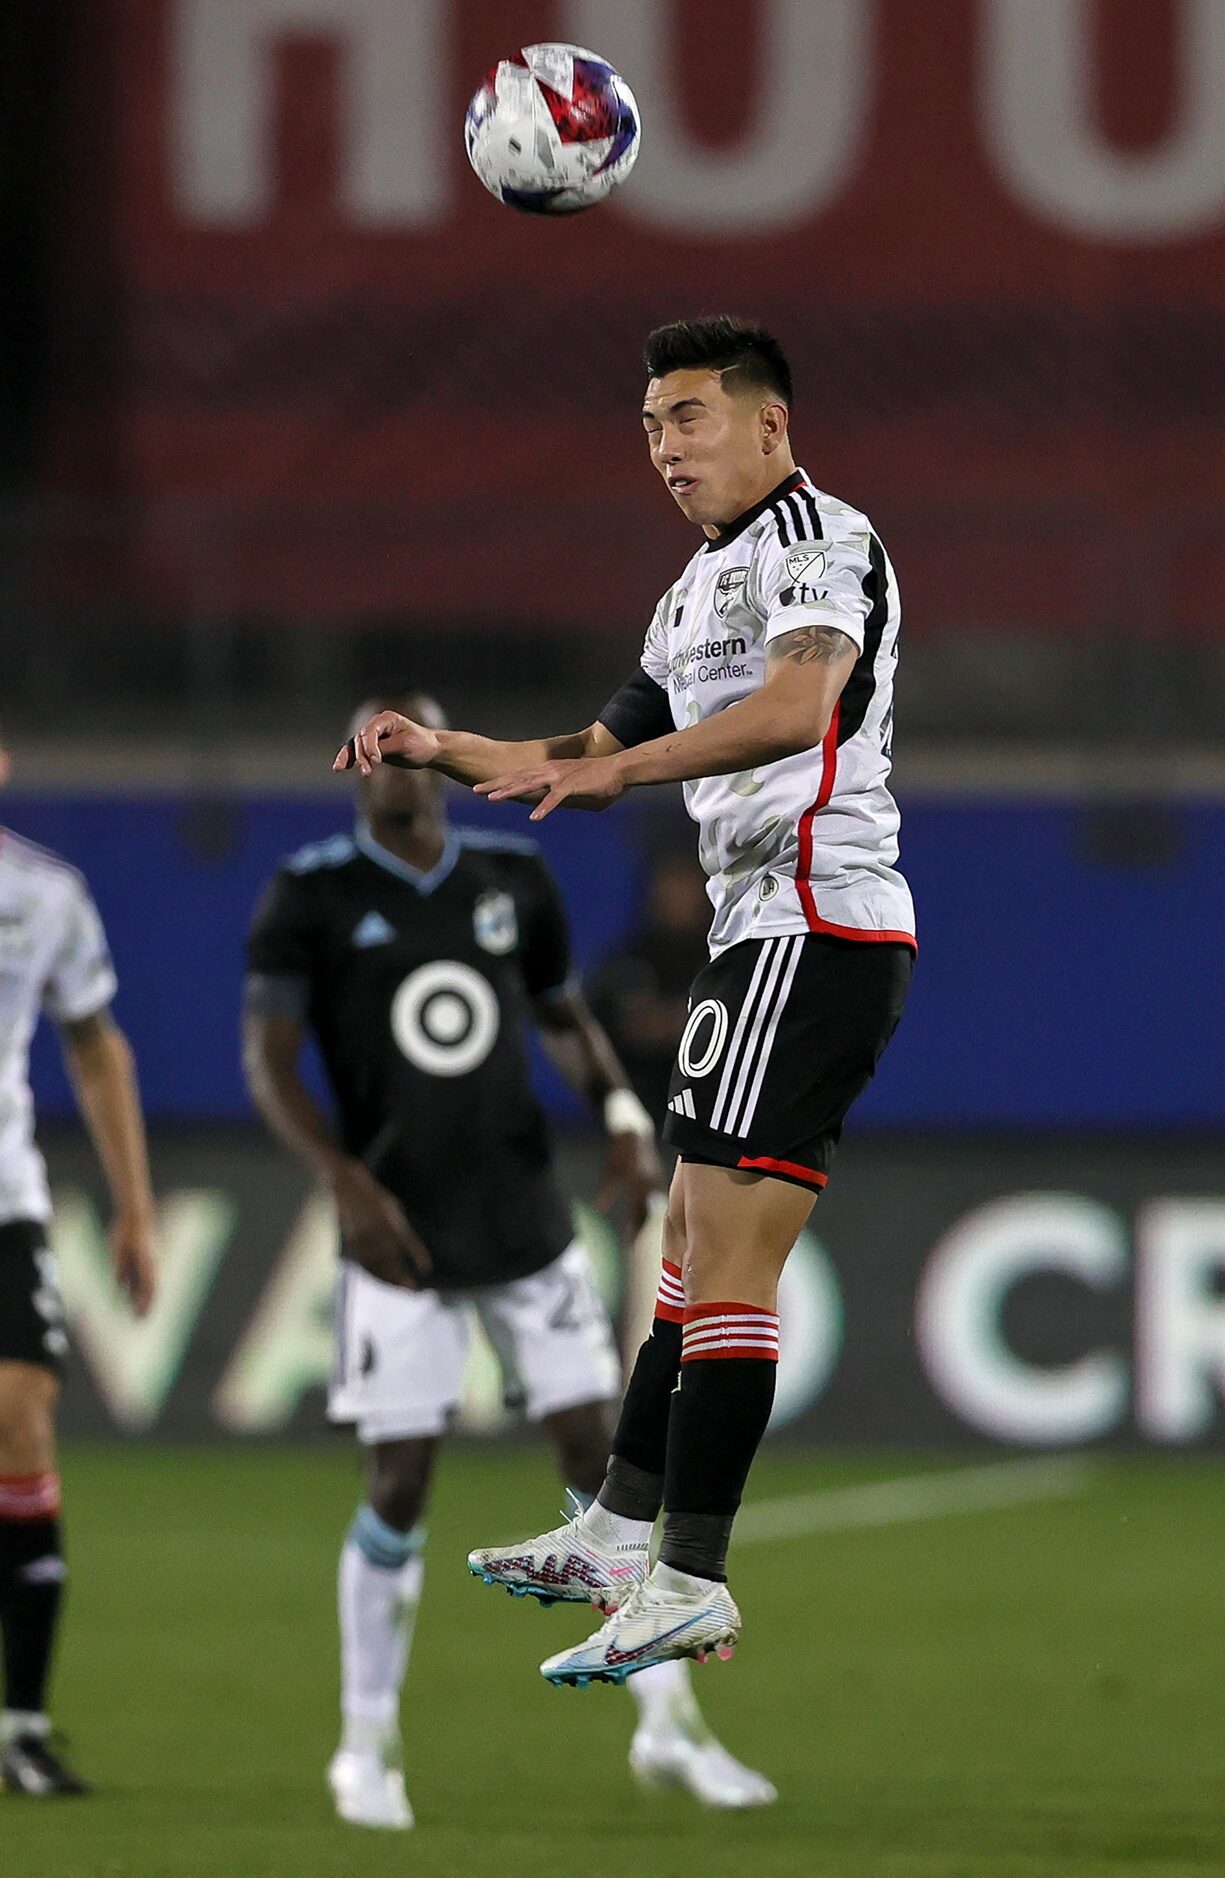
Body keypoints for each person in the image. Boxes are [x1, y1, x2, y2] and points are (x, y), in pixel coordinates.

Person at [336, 316, 915, 1691]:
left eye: (691, 418)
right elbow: (582, 749)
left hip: (818, 919)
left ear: (769, 425)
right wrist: (442, 744)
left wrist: (629, 772)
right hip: (751, 932)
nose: (665, 446)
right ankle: (614, 1529)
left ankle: (692, 1576)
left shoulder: (821, 540)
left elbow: (797, 707)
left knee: (723, 1247)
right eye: (651, 424)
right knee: (683, 1233)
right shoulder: (685, 592)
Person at [245, 690, 776, 1829]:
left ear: (436, 755)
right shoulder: (312, 894)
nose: (394, 764)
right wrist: (343, 1180)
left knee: (609, 1478)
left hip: (526, 1221)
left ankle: (671, 1726)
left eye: (411, 740)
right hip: (400, 1235)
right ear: (351, 767)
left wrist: (629, 1124)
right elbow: (270, 1060)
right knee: (399, 1482)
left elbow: (564, 1019)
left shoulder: (509, 882)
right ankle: (366, 1745)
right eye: (374, 746)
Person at [0, 739, 158, 1794]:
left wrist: (134, 1211)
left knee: (21, 1408)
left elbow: (96, 1044)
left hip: (4, 1200)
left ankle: (20, 1724)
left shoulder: (43, 894)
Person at [588, 850, 711, 1130]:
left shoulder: (724, 960)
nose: (676, 895)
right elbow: (598, 1030)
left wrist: (677, 1024)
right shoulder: (628, 959)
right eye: (668, 883)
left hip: (711, 1128)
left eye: (685, 884)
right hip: (636, 1120)